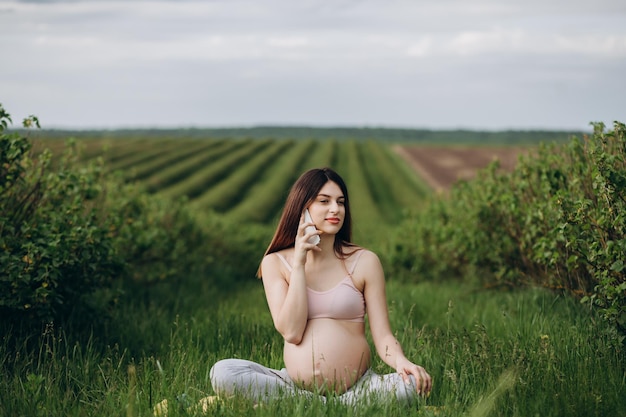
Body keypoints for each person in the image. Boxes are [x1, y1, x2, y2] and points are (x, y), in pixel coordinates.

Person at [210, 167, 432, 405]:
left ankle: (315, 406)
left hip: (359, 387)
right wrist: (299, 264)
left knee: (409, 387)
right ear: (302, 208)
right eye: (324, 201)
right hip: (292, 385)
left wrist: (401, 362)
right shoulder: (276, 262)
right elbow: (292, 332)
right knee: (222, 373)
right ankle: (334, 408)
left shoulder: (365, 261)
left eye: (341, 202)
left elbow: (383, 335)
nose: (335, 209)